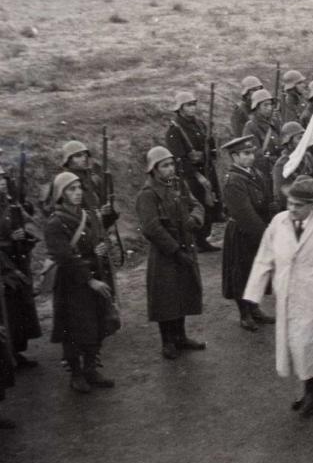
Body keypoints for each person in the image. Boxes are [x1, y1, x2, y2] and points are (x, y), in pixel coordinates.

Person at [243, 175, 313, 418]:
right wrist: (253, 293)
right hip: (288, 293)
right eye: (290, 203)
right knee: (296, 343)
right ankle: (308, 390)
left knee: (310, 343)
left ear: (312, 205)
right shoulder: (278, 222)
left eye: (298, 205)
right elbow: (265, 256)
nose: (291, 208)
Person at [45, 172, 118, 393]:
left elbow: (99, 237)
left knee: (95, 324)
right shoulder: (55, 223)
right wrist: (90, 280)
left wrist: (101, 249)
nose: (77, 193)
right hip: (72, 283)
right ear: (60, 194)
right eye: (71, 189)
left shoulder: (87, 215)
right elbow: (65, 257)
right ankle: (76, 374)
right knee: (74, 329)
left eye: (78, 188)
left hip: (93, 276)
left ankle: (90, 369)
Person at [135, 146, 205, 360]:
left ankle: (181, 336)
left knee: (183, 292)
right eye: (164, 166)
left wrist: (195, 218)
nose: (170, 169)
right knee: (166, 298)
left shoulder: (179, 185)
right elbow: (151, 228)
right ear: (154, 170)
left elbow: (196, 205)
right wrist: (175, 251)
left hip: (185, 247)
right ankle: (167, 341)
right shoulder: (147, 195)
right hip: (165, 255)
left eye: (171, 164)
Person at [219, 135, 275, 332]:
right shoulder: (234, 181)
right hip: (242, 233)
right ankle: (244, 314)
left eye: (252, 152)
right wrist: (265, 235)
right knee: (241, 274)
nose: (250, 157)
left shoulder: (255, 173)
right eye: (245, 154)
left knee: (256, 271)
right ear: (234, 157)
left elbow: (267, 198)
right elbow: (245, 214)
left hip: (258, 228)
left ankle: (255, 308)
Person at [165, 91, 220, 252]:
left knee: (210, 204)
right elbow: (178, 157)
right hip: (190, 175)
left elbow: (211, 146)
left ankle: (203, 239)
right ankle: (196, 239)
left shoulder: (200, 124)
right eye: (188, 105)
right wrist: (195, 172)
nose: (192, 108)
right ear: (180, 108)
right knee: (196, 205)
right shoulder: (174, 130)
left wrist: (210, 151)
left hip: (207, 170)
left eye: (194, 104)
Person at [0, 172, 41, 368]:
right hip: (3, 266)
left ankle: (16, 352)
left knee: (18, 311)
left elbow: (32, 226)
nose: (0, 183)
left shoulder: (12, 204)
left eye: (2, 179)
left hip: (17, 265)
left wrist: (24, 234)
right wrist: (9, 241)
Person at [272, 121, 313, 212]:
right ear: (289, 142)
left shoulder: (307, 157)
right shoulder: (282, 164)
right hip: (294, 210)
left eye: (304, 137)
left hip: (310, 206)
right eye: (299, 138)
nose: (303, 141)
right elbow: (283, 196)